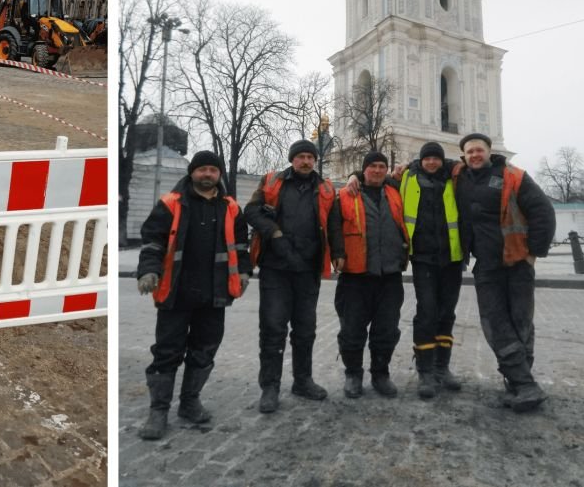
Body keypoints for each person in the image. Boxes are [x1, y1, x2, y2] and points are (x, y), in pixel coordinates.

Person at [135, 150, 251, 440]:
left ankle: (189, 402)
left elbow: (240, 246)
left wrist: (245, 271)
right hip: (176, 293)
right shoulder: (170, 204)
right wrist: (148, 271)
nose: (208, 175)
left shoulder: (231, 208)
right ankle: (158, 410)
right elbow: (152, 242)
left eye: (213, 170)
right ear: (192, 173)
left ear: (219, 174)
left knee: (204, 351)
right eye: (202, 170)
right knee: (166, 352)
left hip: (214, 295)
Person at [453, 133, 555, 412]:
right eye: (470, 151)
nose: (475, 155)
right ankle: (524, 383)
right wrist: (355, 174)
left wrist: (535, 252)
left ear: (489, 151)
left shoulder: (513, 176)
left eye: (479, 150)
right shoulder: (458, 176)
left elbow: (543, 211)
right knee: (495, 322)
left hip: (517, 261)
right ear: (464, 155)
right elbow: (423, 166)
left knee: (520, 321)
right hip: (486, 264)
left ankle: (519, 383)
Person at [244, 139, 343, 413]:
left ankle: (303, 380)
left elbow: (334, 224)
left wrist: (339, 253)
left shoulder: (325, 188)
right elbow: (251, 211)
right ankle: (270, 387)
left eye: (310, 157)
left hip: (308, 270)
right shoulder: (272, 182)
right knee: (273, 329)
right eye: (300, 157)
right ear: (292, 160)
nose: (306, 162)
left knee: (305, 330)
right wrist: (273, 232)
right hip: (275, 269)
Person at [334, 151, 410, 398]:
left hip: (389, 275)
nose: (377, 170)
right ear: (363, 169)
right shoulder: (346, 195)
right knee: (352, 329)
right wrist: (337, 253)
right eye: (372, 166)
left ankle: (381, 374)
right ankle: (353, 374)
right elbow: (334, 228)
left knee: (387, 329)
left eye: (381, 166)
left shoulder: (395, 193)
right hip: (356, 275)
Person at [398, 142, 465, 398]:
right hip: (423, 258)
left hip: (452, 257)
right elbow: (375, 176)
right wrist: (352, 177)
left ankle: (442, 366)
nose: (432, 163)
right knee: (427, 311)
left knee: (447, 312)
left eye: (436, 158)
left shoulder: (454, 178)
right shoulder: (408, 177)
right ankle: (425, 370)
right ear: (421, 160)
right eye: (428, 159)